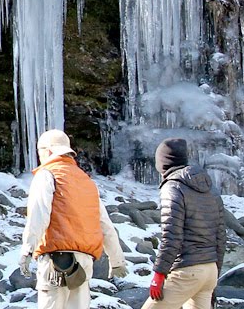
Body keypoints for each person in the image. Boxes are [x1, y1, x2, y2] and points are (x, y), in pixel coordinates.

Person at [19, 129, 127, 309]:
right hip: (83, 263)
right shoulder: (87, 181)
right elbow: (104, 224)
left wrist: (27, 249)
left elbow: (39, 215)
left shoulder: (47, 174)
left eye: (40, 152)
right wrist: (117, 260)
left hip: (56, 262)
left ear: (49, 151)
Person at [142, 137, 225, 309]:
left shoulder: (173, 187)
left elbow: (172, 236)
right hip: (209, 270)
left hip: (188, 270)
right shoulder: (211, 189)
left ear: (163, 162)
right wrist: (216, 271)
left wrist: (159, 274)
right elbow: (220, 236)